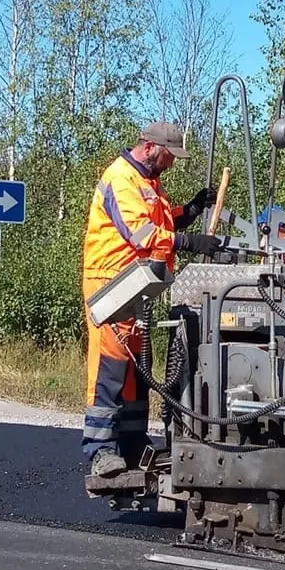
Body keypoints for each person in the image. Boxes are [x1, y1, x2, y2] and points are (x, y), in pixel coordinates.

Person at [80, 121, 217, 479]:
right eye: (170, 156)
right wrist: (189, 243)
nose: (172, 163)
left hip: (137, 285)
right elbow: (142, 234)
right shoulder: (121, 178)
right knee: (109, 368)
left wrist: (189, 211)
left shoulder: (148, 184)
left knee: (138, 370)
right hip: (110, 284)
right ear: (151, 148)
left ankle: (132, 444)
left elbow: (161, 223)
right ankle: (100, 451)